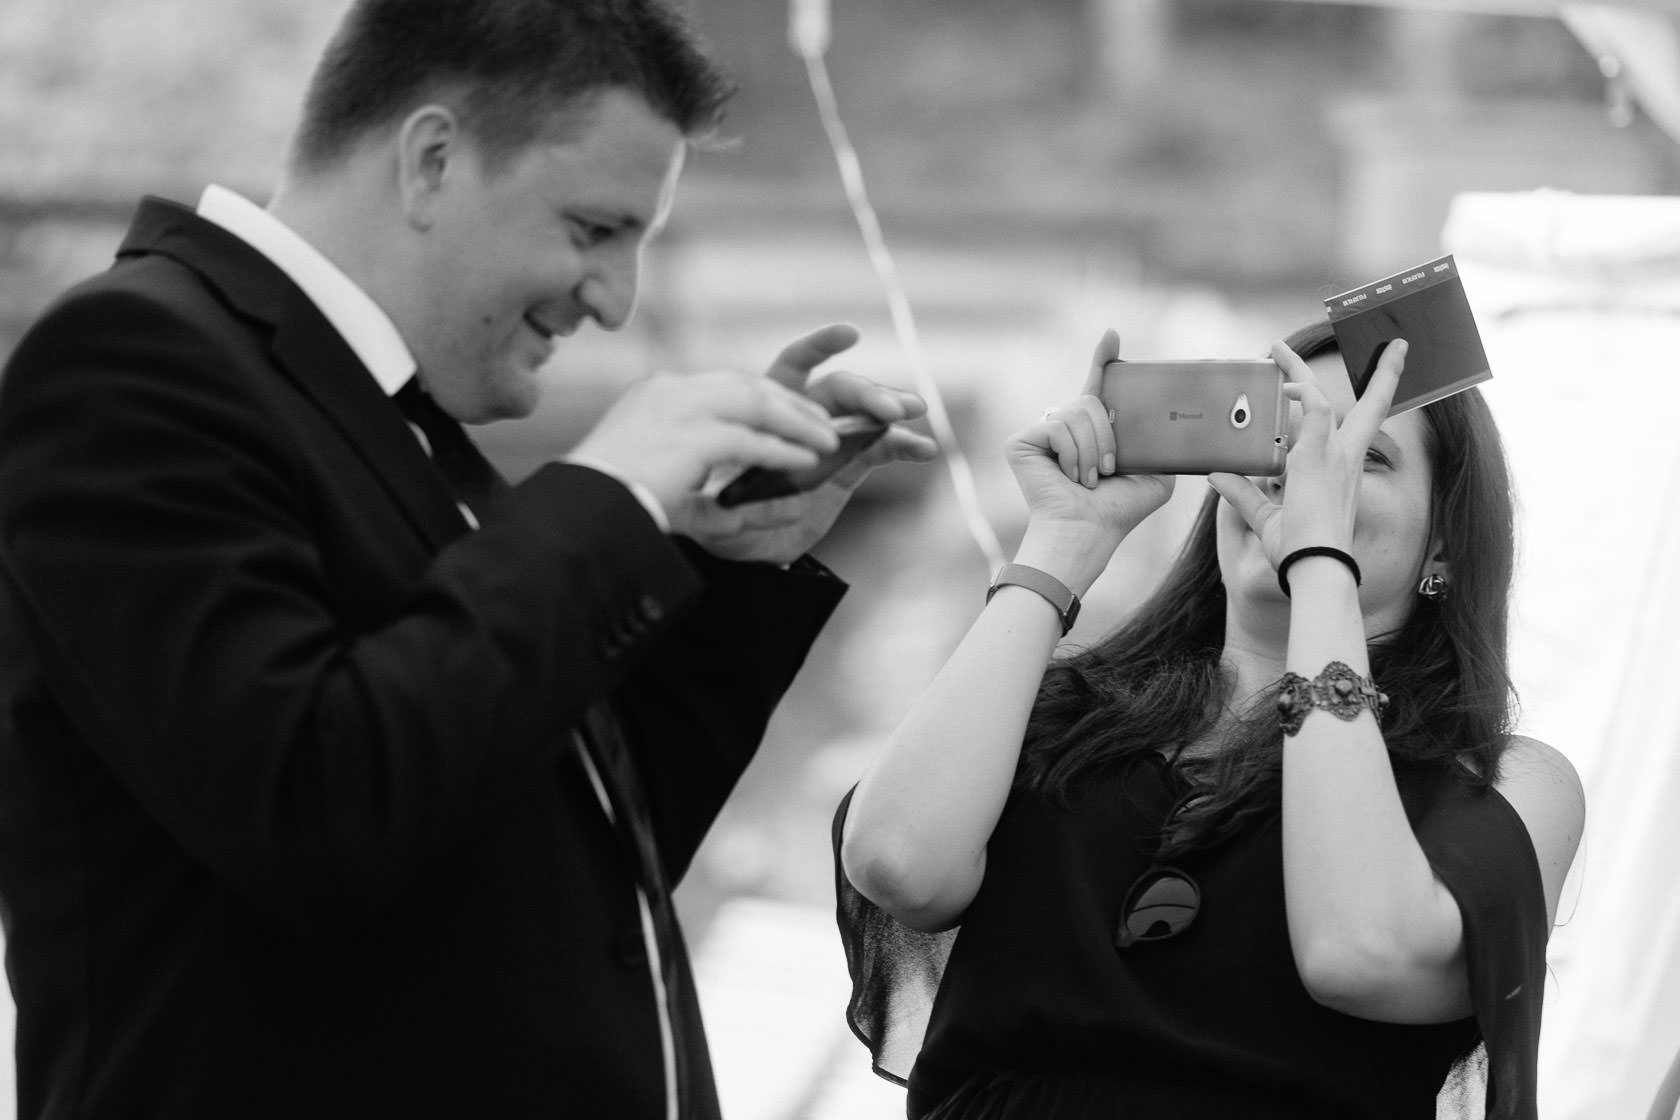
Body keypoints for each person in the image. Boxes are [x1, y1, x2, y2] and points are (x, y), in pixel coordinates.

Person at [0, 1, 937, 1118]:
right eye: (594, 228)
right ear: (433, 160)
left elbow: (569, 863)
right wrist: (608, 496)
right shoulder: (131, 363)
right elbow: (308, 806)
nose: (617, 299)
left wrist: (723, 555)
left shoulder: (403, 419)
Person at [834, 320, 1584, 1119]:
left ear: (1443, 545)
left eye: (1357, 455)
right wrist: (1061, 541)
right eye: (1279, 441)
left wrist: (1321, 565)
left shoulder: (1501, 782)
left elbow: (1359, 953)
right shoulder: (1056, 710)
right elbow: (896, 862)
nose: (1300, 472)